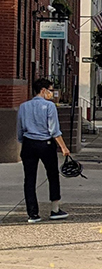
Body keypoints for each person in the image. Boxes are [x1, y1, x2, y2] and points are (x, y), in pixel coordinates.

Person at [17, 78, 71, 223]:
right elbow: (54, 130)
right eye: (51, 90)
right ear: (43, 90)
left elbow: (20, 129)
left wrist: (24, 141)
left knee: (29, 178)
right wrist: (64, 147)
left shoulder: (23, 106)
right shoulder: (49, 106)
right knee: (53, 175)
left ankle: (33, 214)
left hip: (28, 143)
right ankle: (55, 209)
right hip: (45, 144)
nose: (51, 94)